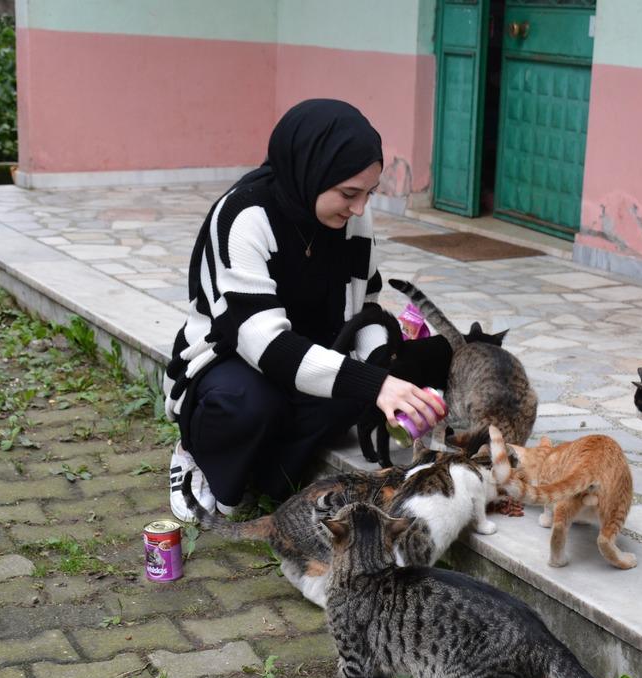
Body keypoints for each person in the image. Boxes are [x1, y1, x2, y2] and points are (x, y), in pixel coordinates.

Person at [163, 99, 444, 521]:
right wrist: (374, 382)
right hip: (231, 360)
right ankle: (195, 451)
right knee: (249, 402)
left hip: (306, 357)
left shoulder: (352, 221)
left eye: (369, 194)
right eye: (349, 194)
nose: (360, 209)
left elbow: (364, 306)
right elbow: (264, 345)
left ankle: (265, 477)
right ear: (310, 171)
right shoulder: (245, 216)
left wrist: (383, 369)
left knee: (354, 395)